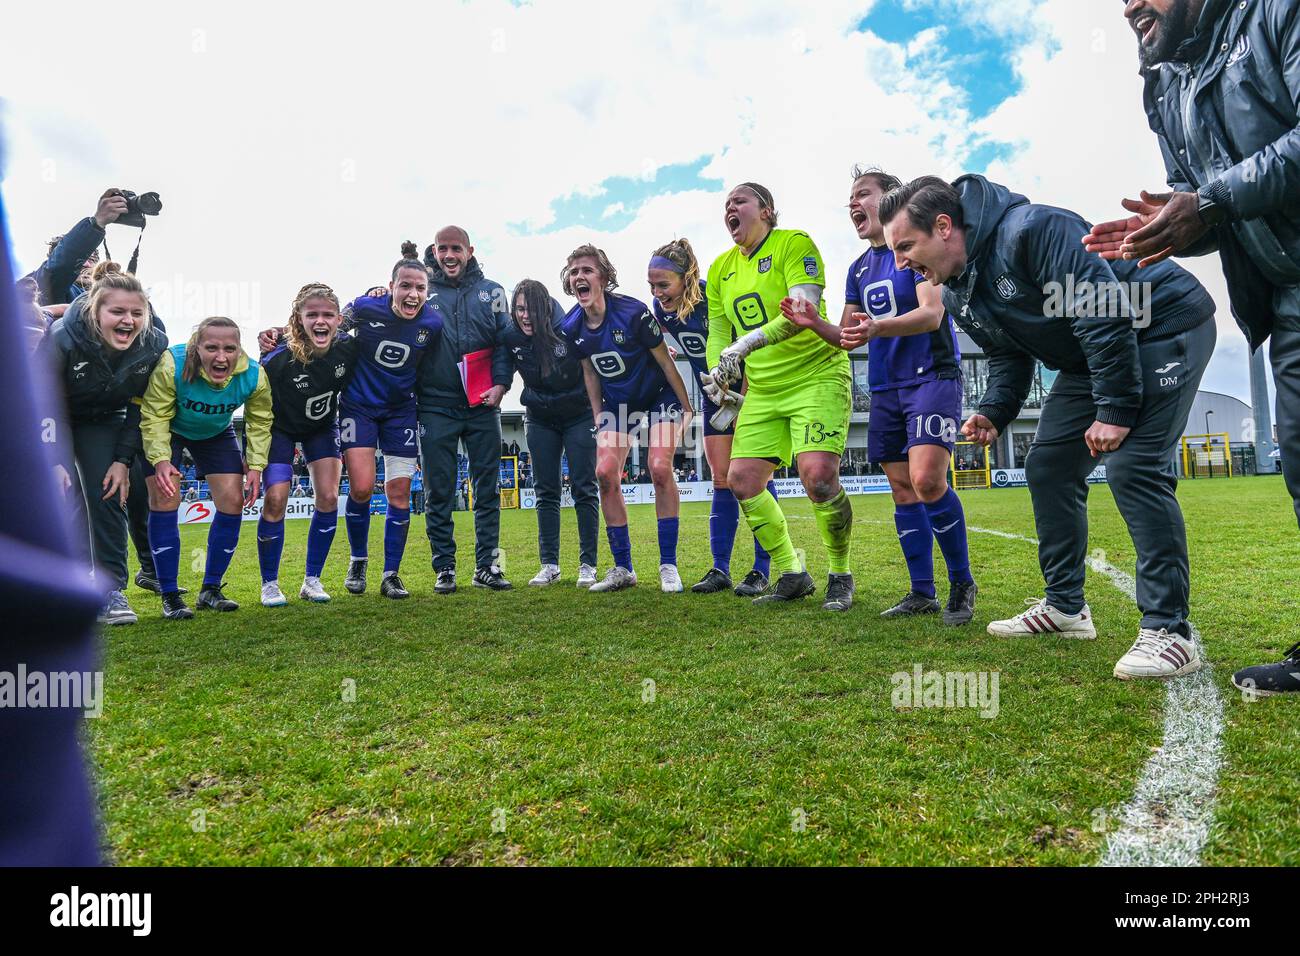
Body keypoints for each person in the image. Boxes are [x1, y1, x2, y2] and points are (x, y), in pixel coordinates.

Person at [881, 174, 1217, 679]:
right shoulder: (955, 290)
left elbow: (1100, 311)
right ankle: (1065, 608)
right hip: (1091, 356)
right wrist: (995, 410)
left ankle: (1170, 630)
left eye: (906, 245)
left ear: (945, 226)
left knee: (1133, 469)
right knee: (1049, 468)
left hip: (1163, 325)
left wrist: (1115, 409)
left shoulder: (1031, 230)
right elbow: (1006, 352)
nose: (902, 262)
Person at [1086, 0, 1300, 694]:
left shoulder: (1278, 11)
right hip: (1285, 292)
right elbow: (1211, 201)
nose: (1130, 7)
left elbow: (1221, 193)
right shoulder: (1164, 79)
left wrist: (1207, 202)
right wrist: (1172, 227)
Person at [785, 167, 976, 624]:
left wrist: (877, 328)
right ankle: (921, 592)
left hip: (932, 375)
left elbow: (932, 315)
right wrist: (815, 323)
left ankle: (962, 583)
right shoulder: (858, 270)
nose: (854, 204)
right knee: (902, 490)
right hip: (886, 387)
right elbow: (850, 337)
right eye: (849, 198)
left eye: (863, 194)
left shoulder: (915, 249)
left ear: (890, 199)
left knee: (928, 480)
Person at [703, 182, 856, 611]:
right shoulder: (720, 269)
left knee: (819, 477)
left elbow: (801, 310)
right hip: (765, 388)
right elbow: (719, 330)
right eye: (726, 204)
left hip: (816, 374)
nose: (730, 208)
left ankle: (840, 574)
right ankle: (792, 572)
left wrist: (745, 346)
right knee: (742, 479)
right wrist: (719, 371)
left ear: (766, 210)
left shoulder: (795, 243)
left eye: (740, 201)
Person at [38, 261, 168, 626]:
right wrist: (54, 459)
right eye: (117, 311)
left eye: (137, 313)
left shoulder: (154, 343)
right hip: (58, 418)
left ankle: (110, 589)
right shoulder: (64, 337)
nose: (128, 320)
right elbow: (40, 399)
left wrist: (122, 460)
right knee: (65, 493)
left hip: (109, 418)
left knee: (109, 489)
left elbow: (141, 407)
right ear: (96, 311)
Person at [647, 237, 775, 597]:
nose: (657, 293)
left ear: (687, 277)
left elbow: (748, 341)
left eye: (663, 285)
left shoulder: (713, 297)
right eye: (652, 286)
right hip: (712, 396)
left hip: (749, 392)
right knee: (721, 479)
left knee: (755, 479)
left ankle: (761, 570)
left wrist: (747, 395)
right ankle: (720, 568)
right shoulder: (662, 311)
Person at [562, 244, 694, 593]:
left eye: (587, 270)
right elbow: (589, 373)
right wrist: (598, 415)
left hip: (658, 397)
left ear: (603, 277)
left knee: (660, 467)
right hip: (618, 404)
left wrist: (686, 406)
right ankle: (623, 568)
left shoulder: (634, 313)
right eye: (574, 272)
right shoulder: (571, 326)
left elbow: (665, 361)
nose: (580, 277)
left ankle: (668, 565)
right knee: (604, 473)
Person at [140, 316, 273, 618]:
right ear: (196, 347)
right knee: (165, 497)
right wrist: (161, 460)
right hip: (169, 429)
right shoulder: (172, 364)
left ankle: (210, 589)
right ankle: (170, 594)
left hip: (215, 432)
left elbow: (260, 420)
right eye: (211, 347)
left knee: (232, 501)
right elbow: (154, 415)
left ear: (240, 350)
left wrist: (255, 466)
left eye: (230, 348)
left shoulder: (253, 375)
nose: (221, 356)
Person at [338, 249, 443, 599]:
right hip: (359, 408)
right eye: (405, 286)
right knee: (363, 488)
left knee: (398, 492)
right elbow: (328, 328)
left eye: (420, 288)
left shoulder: (432, 323)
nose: (413, 294)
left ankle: (391, 574)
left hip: (401, 413)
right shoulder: (366, 307)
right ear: (391, 286)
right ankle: (358, 559)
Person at [418, 227, 514, 594]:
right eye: (442, 249)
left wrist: (501, 384)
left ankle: (488, 567)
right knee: (438, 491)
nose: (449, 255)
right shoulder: (422, 291)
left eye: (456, 248)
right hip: (435, 407)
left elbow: (505, 344)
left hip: (482, 405)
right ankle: (444, 568)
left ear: (470, 251)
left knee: (487, 489)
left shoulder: (493, 292)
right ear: (435, 251)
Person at [256, 283, 358, 606]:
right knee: (275, 499)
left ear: (339, 319)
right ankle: (269, 584)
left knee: (328, 496)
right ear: (298, 319)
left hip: (321, 427)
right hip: (280, 429)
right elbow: (256, 404)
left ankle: (312, 580)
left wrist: (377, 291)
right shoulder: (277, 357)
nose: (320, 321)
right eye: (311, 314)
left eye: (328, 314)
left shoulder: (348, 349)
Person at [503, 278, 600, 587]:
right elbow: (500, 368)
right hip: (539, 418)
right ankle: (550, 565)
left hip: (578, 415)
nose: (525, 316)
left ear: (545, 308)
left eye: (531, 309)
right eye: (519, 309)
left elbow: (595, 361)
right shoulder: (511, 335)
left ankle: (588, 564)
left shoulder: (569, 328)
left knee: (585, 487)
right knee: (546, 491)